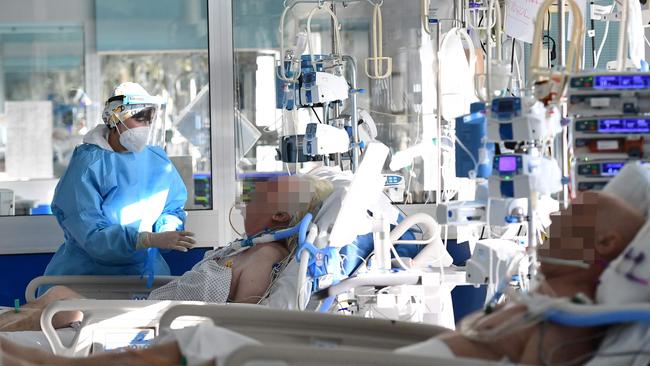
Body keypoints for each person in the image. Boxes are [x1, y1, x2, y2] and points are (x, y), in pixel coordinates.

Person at [0, 189, 645, 366]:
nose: (559, 211)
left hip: (416, 358)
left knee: (208, 343)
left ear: (607, 246)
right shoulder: (552, 301)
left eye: (578, 214)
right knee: (201, 340)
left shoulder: (576, 316)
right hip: (423, 351)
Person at [0, 174, 334, 331]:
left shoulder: (266, 257)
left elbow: (244, 319)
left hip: (157, 323)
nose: (246, 203)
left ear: (279, 217)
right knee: (57, 295)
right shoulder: (244, 248)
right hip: (148, 310)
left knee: (62, 303)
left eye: (258, 199)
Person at [41, 82, 195, 288]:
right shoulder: (88, 164)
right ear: (115, 118)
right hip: (86, 278)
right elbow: (91, 235)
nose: (145, 126)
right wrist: (145, 240)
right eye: (139, 118)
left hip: (145, 275)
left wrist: (168, 230)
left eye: (149, 119)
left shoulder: (157, 160)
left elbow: (172, 207)